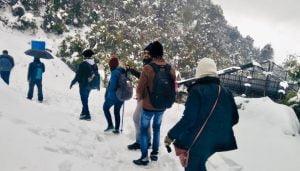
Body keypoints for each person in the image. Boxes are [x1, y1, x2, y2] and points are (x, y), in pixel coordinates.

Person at [164, 58, 239, 171]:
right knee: (198, 164)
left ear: (199, 72)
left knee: (193, 166)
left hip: (199, 140)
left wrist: (171, 135)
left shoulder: (197, 90)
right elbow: (234, 118)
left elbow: (189, 119)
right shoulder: (226, 92)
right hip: (218, 139)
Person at [133, 41, 176, 165]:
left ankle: (144, 157)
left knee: (144, 128)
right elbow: (174, 85)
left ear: (152, 53)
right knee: (157, 128)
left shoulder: (148, 68)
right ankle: (155, 153)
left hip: (148, 106)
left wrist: (140, 97)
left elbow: (140, 88)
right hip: (162, 105)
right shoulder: (170, 67)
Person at [127, 43, 153, 150]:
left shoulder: (151, 65)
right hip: (144, 96)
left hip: (147, 97)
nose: (145, 54)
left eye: (148, 53)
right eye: (145, 52)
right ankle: (147, 142)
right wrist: (132, 70)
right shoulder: (147, 64)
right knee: (144, 119)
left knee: (137, 118)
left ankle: (140, 142)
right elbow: (142, 77)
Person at [70, 49, 99, 121]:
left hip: (83, 85)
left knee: (84, 100)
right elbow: (97, 75)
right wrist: (98, 85)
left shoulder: (83, 64)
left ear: (85, 56)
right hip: (90, 85)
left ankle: (87, 115)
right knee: (85, 99)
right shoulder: (95, 65)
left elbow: (78, 75)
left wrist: (72, 82)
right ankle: (83, 114)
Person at [103, 56, 125, 134]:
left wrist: (107, 97)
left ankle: (110, 125)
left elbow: (112, 87)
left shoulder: (114, 72)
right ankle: (116, 129)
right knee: (117, 111)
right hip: (122, 95)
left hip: (114, 96)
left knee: (105, 108)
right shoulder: (122, 70)